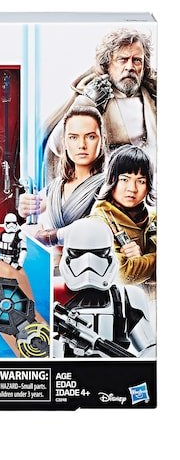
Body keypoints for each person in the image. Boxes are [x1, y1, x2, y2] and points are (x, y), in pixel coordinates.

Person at [44, 28, 156, 178]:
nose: (130, 67)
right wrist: (87, 102)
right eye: (122, 59)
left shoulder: (153, 97)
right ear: (107, 64)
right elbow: (58, 145)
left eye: (136, 60)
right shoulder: (92, 96)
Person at [54, 218, 155, 358]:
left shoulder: (127, 297)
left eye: (99, 253)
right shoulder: (54, 293)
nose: (88, 261)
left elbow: (151, 348)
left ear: (109, 254)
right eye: (77, 253)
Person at [19, 106, 105, 251]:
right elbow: (32, 212)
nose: (82, 145)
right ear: (64, 142)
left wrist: (47, 237)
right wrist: (25, 208)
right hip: (53, 263)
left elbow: (103, 230)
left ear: (102, 140)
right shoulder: (55, 187)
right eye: (73, 137)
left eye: (90, 137)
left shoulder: (111, 185)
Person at [91, 145, 156, 296]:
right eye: (124, 179)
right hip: (119, 302)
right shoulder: (98, 221)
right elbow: (122, 274)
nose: (132, 188)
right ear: (112, 180)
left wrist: (140, 260)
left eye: (141, 181)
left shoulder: (153, 218)